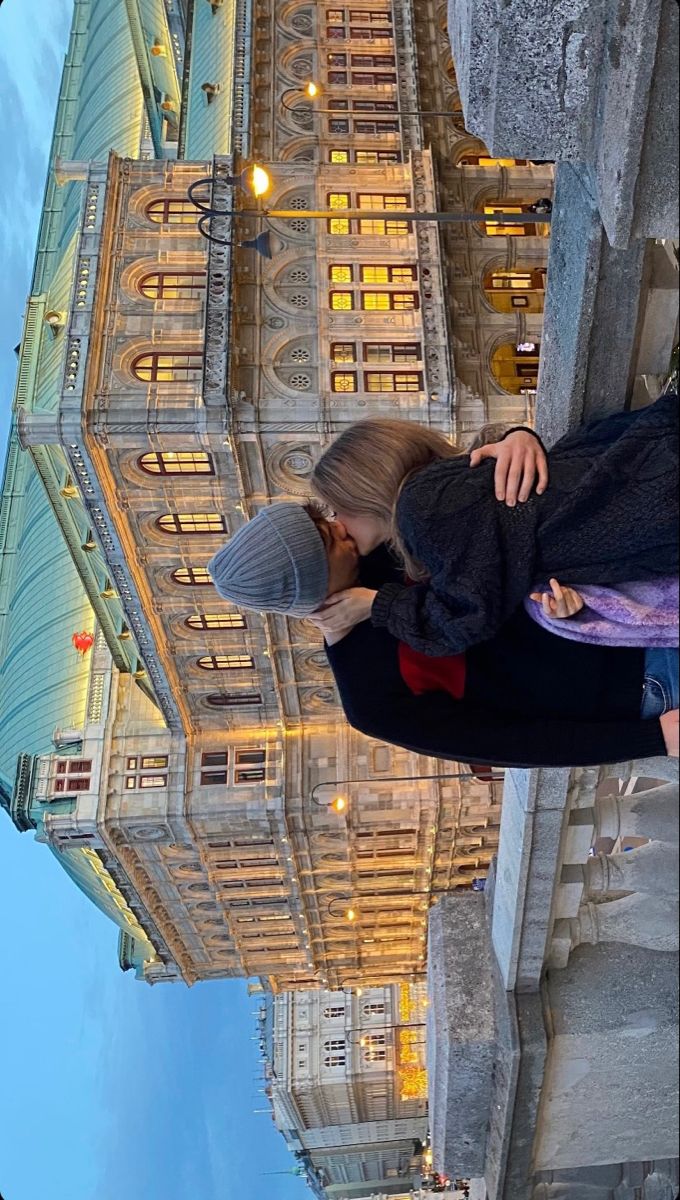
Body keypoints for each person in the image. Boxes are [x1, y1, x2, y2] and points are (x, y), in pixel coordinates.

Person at [208, 457, 679, 768]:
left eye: (323, 519)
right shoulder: (371, 698)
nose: (340, 527)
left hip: (642, 596)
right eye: (328, 541)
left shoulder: (384, 544)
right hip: (641, 682)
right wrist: (654, 740)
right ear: (311, 585)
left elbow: (476, 489)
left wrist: (517, 441)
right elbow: (518, 743)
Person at [309, 393, 678, 658]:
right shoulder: (446, 486)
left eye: (337, 508)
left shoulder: (420, 511)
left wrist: (379, 606)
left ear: (362, 493)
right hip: (651, 470)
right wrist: (520, 434)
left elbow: (466, 619)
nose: (339, 524)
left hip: (658, 508)